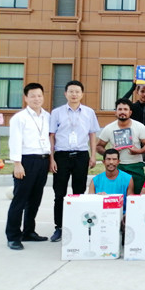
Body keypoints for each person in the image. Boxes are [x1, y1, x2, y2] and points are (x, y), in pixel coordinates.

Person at [49, 80, 100, 243]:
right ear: (65, 94)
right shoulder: (56, 113)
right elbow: (51, 136)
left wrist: (93, 156)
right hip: (61, 156)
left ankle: (77, 225)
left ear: (82, 94)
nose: (74, 94)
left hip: (81, 155)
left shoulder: (89, 112)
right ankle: (59, 227)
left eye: (77, 91)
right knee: (59, 193)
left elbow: (92, 134)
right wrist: (51, 158)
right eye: (71, 91)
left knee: (79, 192)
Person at [6, 83, 51, 250]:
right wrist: (17, 164)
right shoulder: (19, 118)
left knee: (35, 199)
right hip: (26, 161)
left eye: (39, 95)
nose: (36, 99)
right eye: (32, 96)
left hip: (43, 160)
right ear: (26, 98)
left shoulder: (47, 116)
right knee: (20, 199)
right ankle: (13, 236)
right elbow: (15, 141)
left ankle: (29, 231)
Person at [96, 98, 145, 194]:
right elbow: (99, 146)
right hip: (117, 166)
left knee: (137, 196)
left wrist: (138, 151)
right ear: (116, 112)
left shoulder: (139, 126)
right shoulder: (109, 128)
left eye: (125, 109)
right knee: (117, 195)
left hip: (136, 165)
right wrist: (111, 153)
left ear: (130, 112)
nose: (122, 112)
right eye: (120, 109)